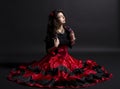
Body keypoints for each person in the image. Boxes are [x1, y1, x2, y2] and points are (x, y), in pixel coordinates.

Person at [7, 9, 112, 88]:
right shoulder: (52, 33)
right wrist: (55, 46)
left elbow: (69, 45)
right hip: (53, 58)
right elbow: (48, 51)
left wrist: (72, 39)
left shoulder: (68, 30)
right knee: (58, 72)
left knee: (77, 71)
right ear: (56, 21)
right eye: (61, 17)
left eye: (63, 16)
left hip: (66, 57)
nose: (64, 18)